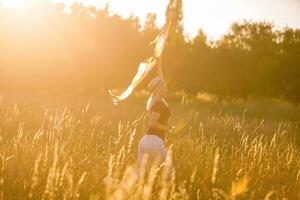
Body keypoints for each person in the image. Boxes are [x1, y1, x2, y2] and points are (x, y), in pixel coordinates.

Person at [137, 59, 174, 179]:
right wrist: (167, 128)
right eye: (165, 87)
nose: (167, 89)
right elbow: (152, 124)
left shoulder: (156, 101)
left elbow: (160, 80)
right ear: (159, 89)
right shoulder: (159, 104)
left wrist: (159, 65)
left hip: (145, 142)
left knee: (141, 177)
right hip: (154, 142)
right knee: (168, 175)